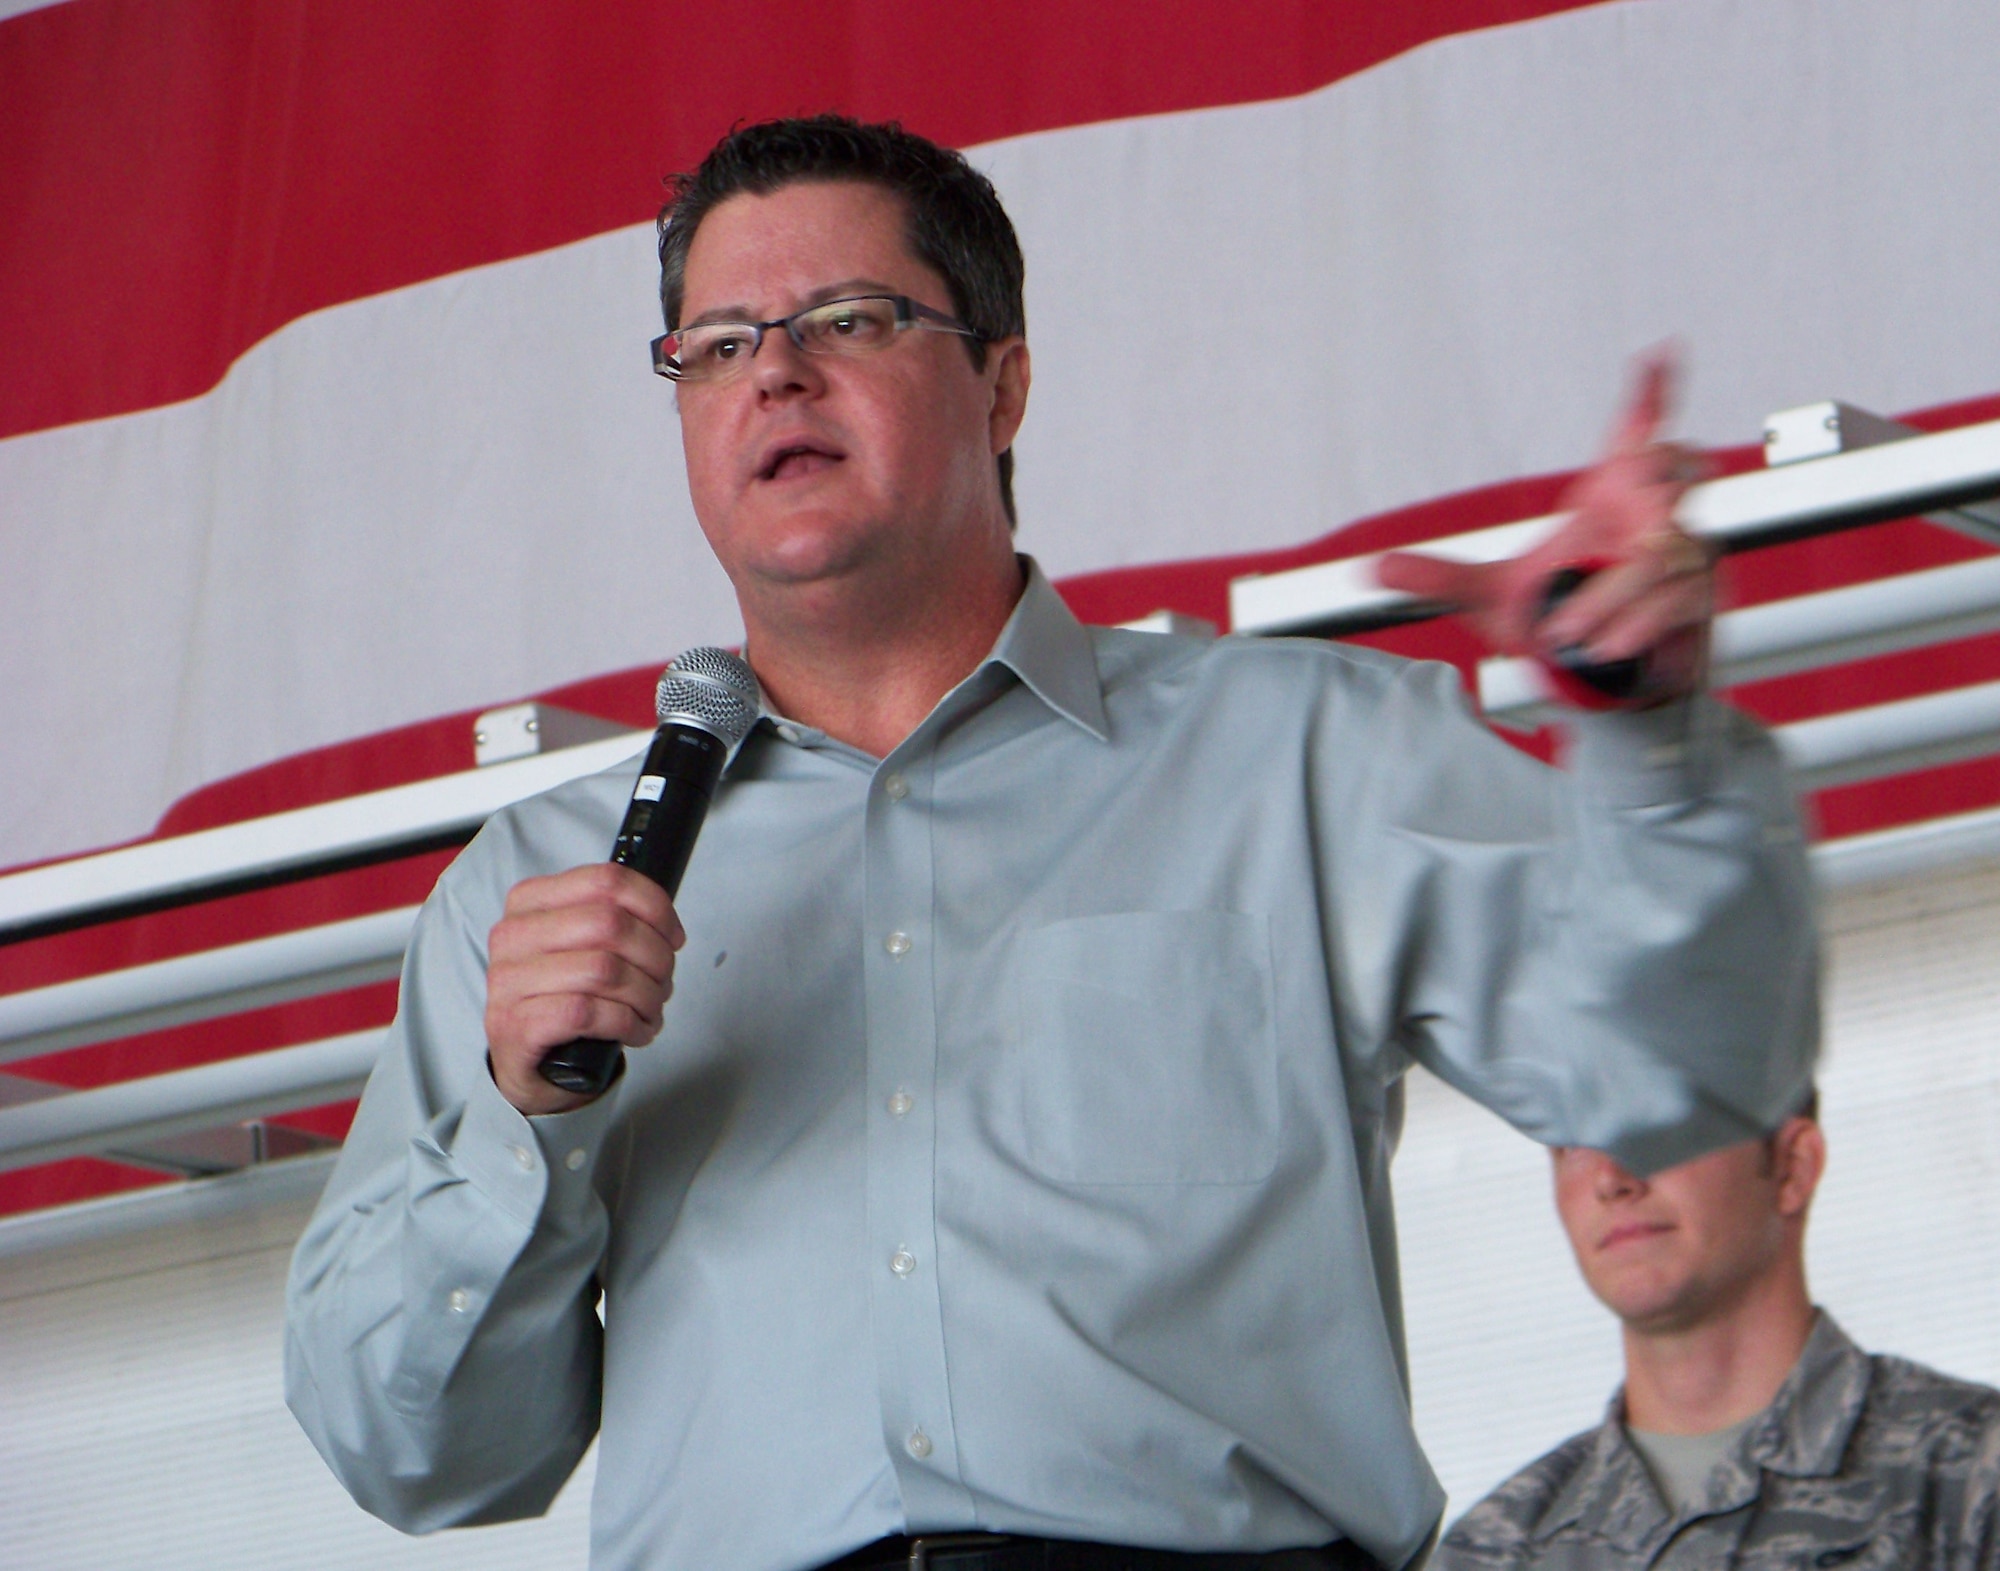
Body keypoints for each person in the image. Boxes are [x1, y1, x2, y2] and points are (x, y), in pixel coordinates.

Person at [284, 116, 1818, 1571]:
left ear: (1003, 385)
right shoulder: (539, 892)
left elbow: (1683, 1079)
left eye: (852, 319)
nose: (778, 373)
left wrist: (1645, 729)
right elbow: (418, 1454)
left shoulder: (1300, 752)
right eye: (721, 344)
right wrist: (527, 1115)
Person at [1433, 1095, 2000, 1568]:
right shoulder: (1493, 1551)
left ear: (1792, 1166)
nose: (1610, 1178)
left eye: (1659, 1119)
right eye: (1572, 1142)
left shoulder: (1970, 1475)